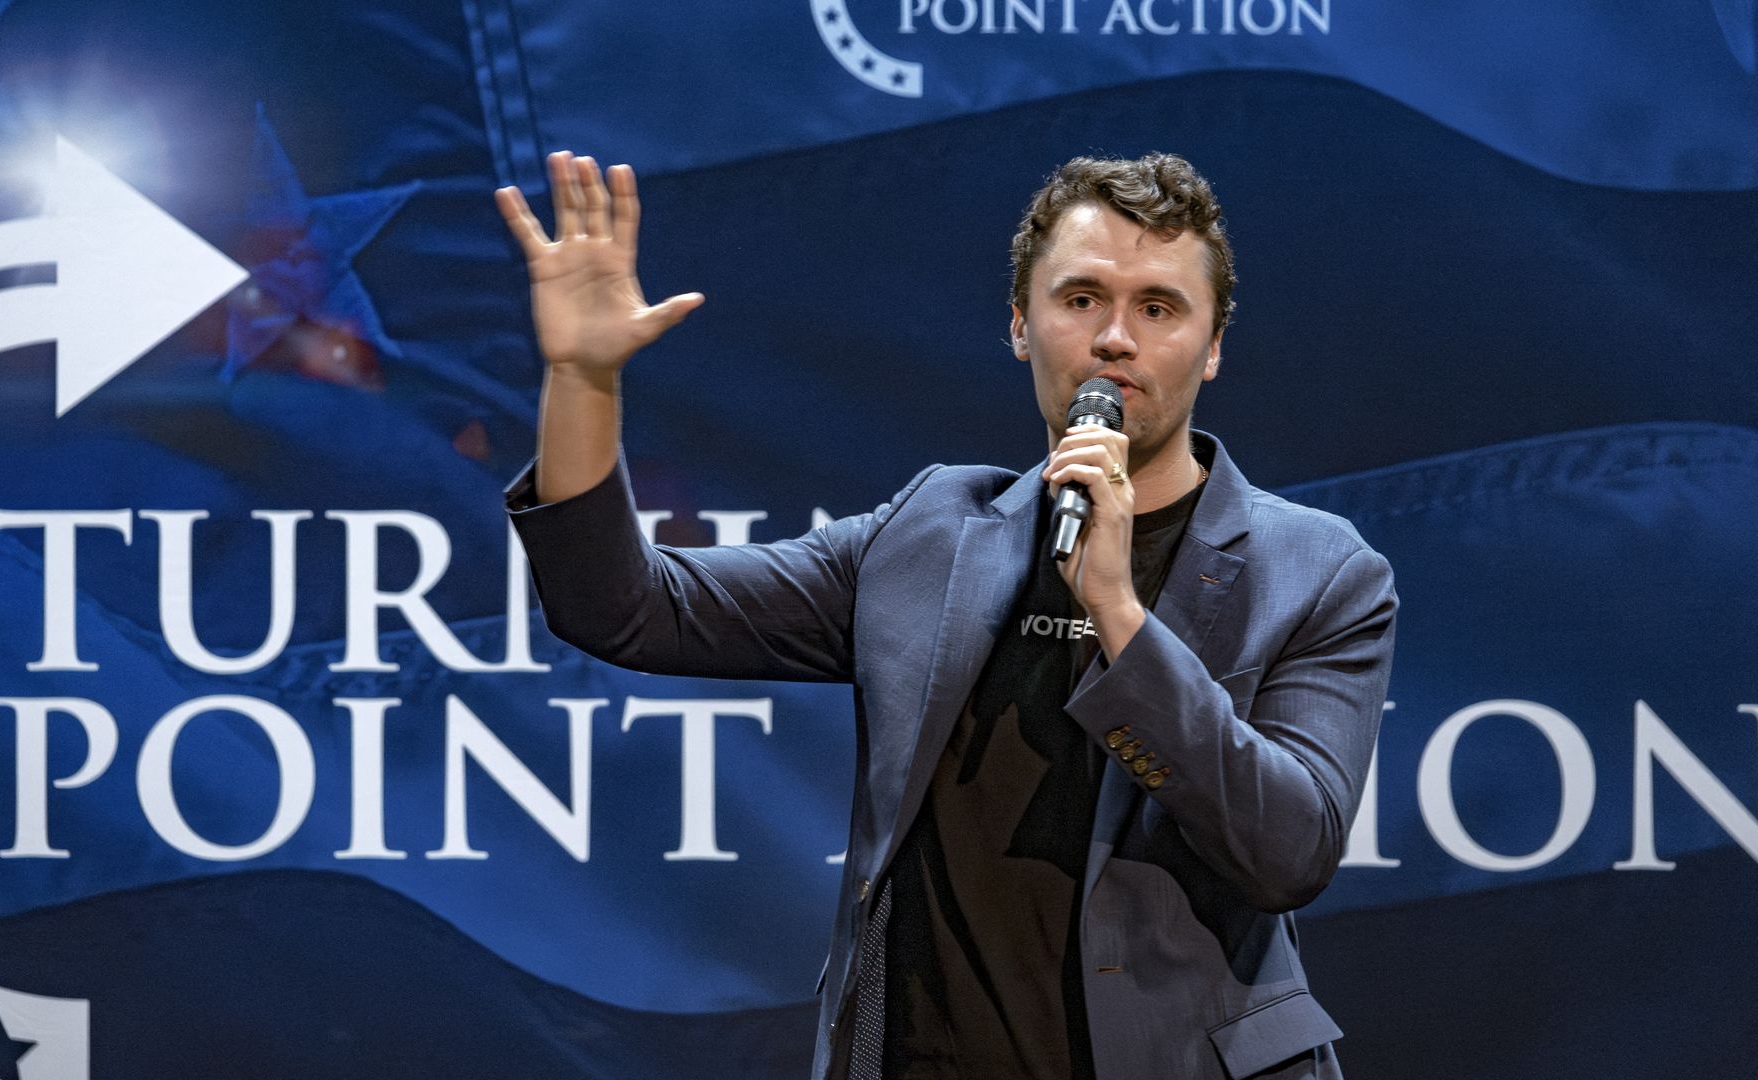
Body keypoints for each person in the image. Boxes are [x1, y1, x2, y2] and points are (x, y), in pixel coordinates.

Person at [497, 150, 1396, 1080]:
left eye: (1158, 308)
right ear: (1020, 324)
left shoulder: (1318, 573)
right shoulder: (932, 532)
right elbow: (626, 610)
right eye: (1080, 299)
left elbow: (1290, 851)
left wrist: (1117, 611)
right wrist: (584, 380)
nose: (1114, 339)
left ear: (1211, 347)